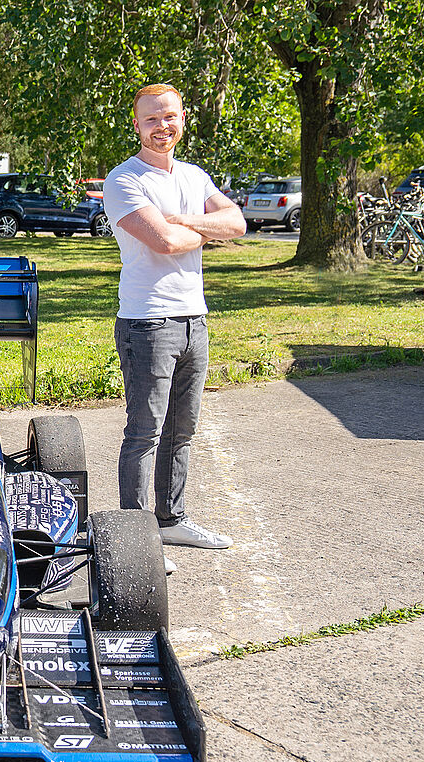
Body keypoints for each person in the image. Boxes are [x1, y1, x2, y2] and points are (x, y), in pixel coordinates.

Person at [102, 83, 247, 571]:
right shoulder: (124, 179)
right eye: (151, 119)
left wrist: (186, 221)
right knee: (145, 431)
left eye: (170, 117)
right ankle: (136, 538)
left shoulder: (193, 175)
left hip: (194, 319)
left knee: (182, 430)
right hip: (148, 321)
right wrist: (202, 231)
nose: (163, 126)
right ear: (137, 125)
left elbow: (238, 224)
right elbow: (161, 242)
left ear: (182, 119)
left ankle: (171, 520)